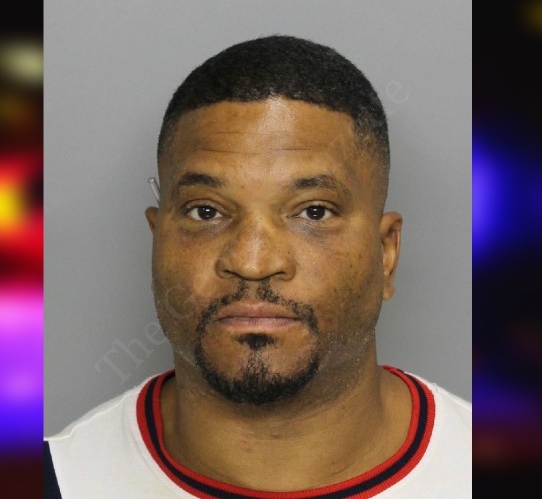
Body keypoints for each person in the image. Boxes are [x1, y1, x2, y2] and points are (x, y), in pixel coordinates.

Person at [44, 34, 471, 498]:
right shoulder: (60, 478)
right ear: (157, 239)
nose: (252, 262)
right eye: (205, 211)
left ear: (386, 253)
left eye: (314, 212)